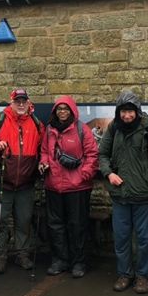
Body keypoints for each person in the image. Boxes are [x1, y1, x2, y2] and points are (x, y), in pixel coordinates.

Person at [98, 91, 148, 294]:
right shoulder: (113, 128)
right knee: (121, 237)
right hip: (120, 195)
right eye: (123, 112)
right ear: (118, 112)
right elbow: (102, 154)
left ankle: (142, 276)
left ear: (137, 111)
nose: (127, 116)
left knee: (144, 239)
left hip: (143, 195)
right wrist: (109, 173)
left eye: (130, 112)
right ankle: (125, 274)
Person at [0, 88, 44, 273]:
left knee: (24, 221)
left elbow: (43, 147)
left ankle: (22, 254)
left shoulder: (36, 123)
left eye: (24, 100)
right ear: (12, 102)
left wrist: (42, 164)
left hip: (26, 184)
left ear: (29, 102)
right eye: (18, 101)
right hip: (3, 183)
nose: (21, 104)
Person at [39, 96, 99, 278]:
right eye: (59, 109)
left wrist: (84, 175)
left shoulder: (82, 129)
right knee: (55, 225)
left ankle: (78, 261)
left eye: (66, 109)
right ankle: (60, 260)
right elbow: (44, 152)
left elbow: (92, 154)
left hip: (77, 188)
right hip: (53, 186)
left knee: (77, 225)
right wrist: (43, 163)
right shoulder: (49, 130)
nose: (62, 112)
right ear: (55, 111)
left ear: (72, 110)